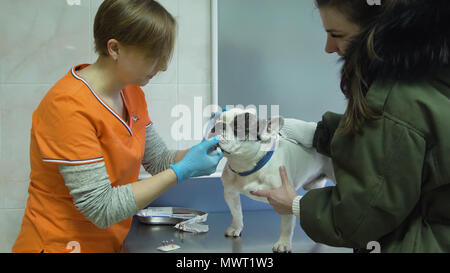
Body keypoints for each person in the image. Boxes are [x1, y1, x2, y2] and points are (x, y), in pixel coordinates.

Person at [12, 0, 223, 253]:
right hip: (60, 245)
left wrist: (210, 145)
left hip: (107, 244)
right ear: (115, 48)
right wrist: (182, 172)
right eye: (154, 56)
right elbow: (100, 207)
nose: (163, 66)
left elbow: (157, 161)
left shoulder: (131, 92)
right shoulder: (67, 106)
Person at [252, 0, 450, 253]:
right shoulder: (430, 77)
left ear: (378, 32)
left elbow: (359, 218)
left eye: (337, 35)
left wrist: (296, 204)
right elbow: (390, 146)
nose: (329, 47)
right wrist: (309, 132)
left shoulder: (396, 100)